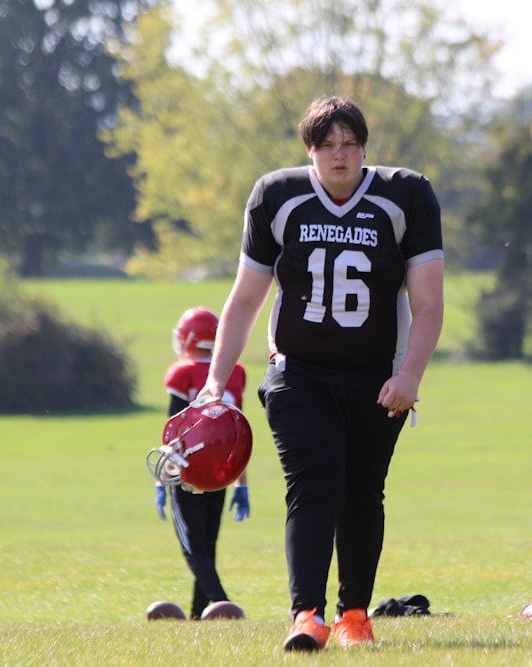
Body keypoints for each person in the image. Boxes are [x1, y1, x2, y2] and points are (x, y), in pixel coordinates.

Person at [196, 96, 444, 651]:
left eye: (350, 144)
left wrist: (411, 375)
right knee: (314, 485)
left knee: (362, 494)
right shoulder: (278, 196)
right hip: (298, 371)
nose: (340, 155)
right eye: (327, 145)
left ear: (364, 147)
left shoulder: (405, 194)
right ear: (309, 150)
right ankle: (305, 615)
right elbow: (245, 300)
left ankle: (354, 614)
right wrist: (216, 379)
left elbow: (428, 302)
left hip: (377, 376)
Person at [155, 306, 249, 620]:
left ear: (189, 338)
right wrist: (242, 483)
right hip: (222, 469)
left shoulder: (183, 373)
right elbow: (237, 433)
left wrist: (161, 480)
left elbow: (174, 431)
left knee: (193, 546)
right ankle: (199, 614)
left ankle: (222, 604)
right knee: (207, 544)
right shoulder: (235, 372)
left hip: (188, 469)